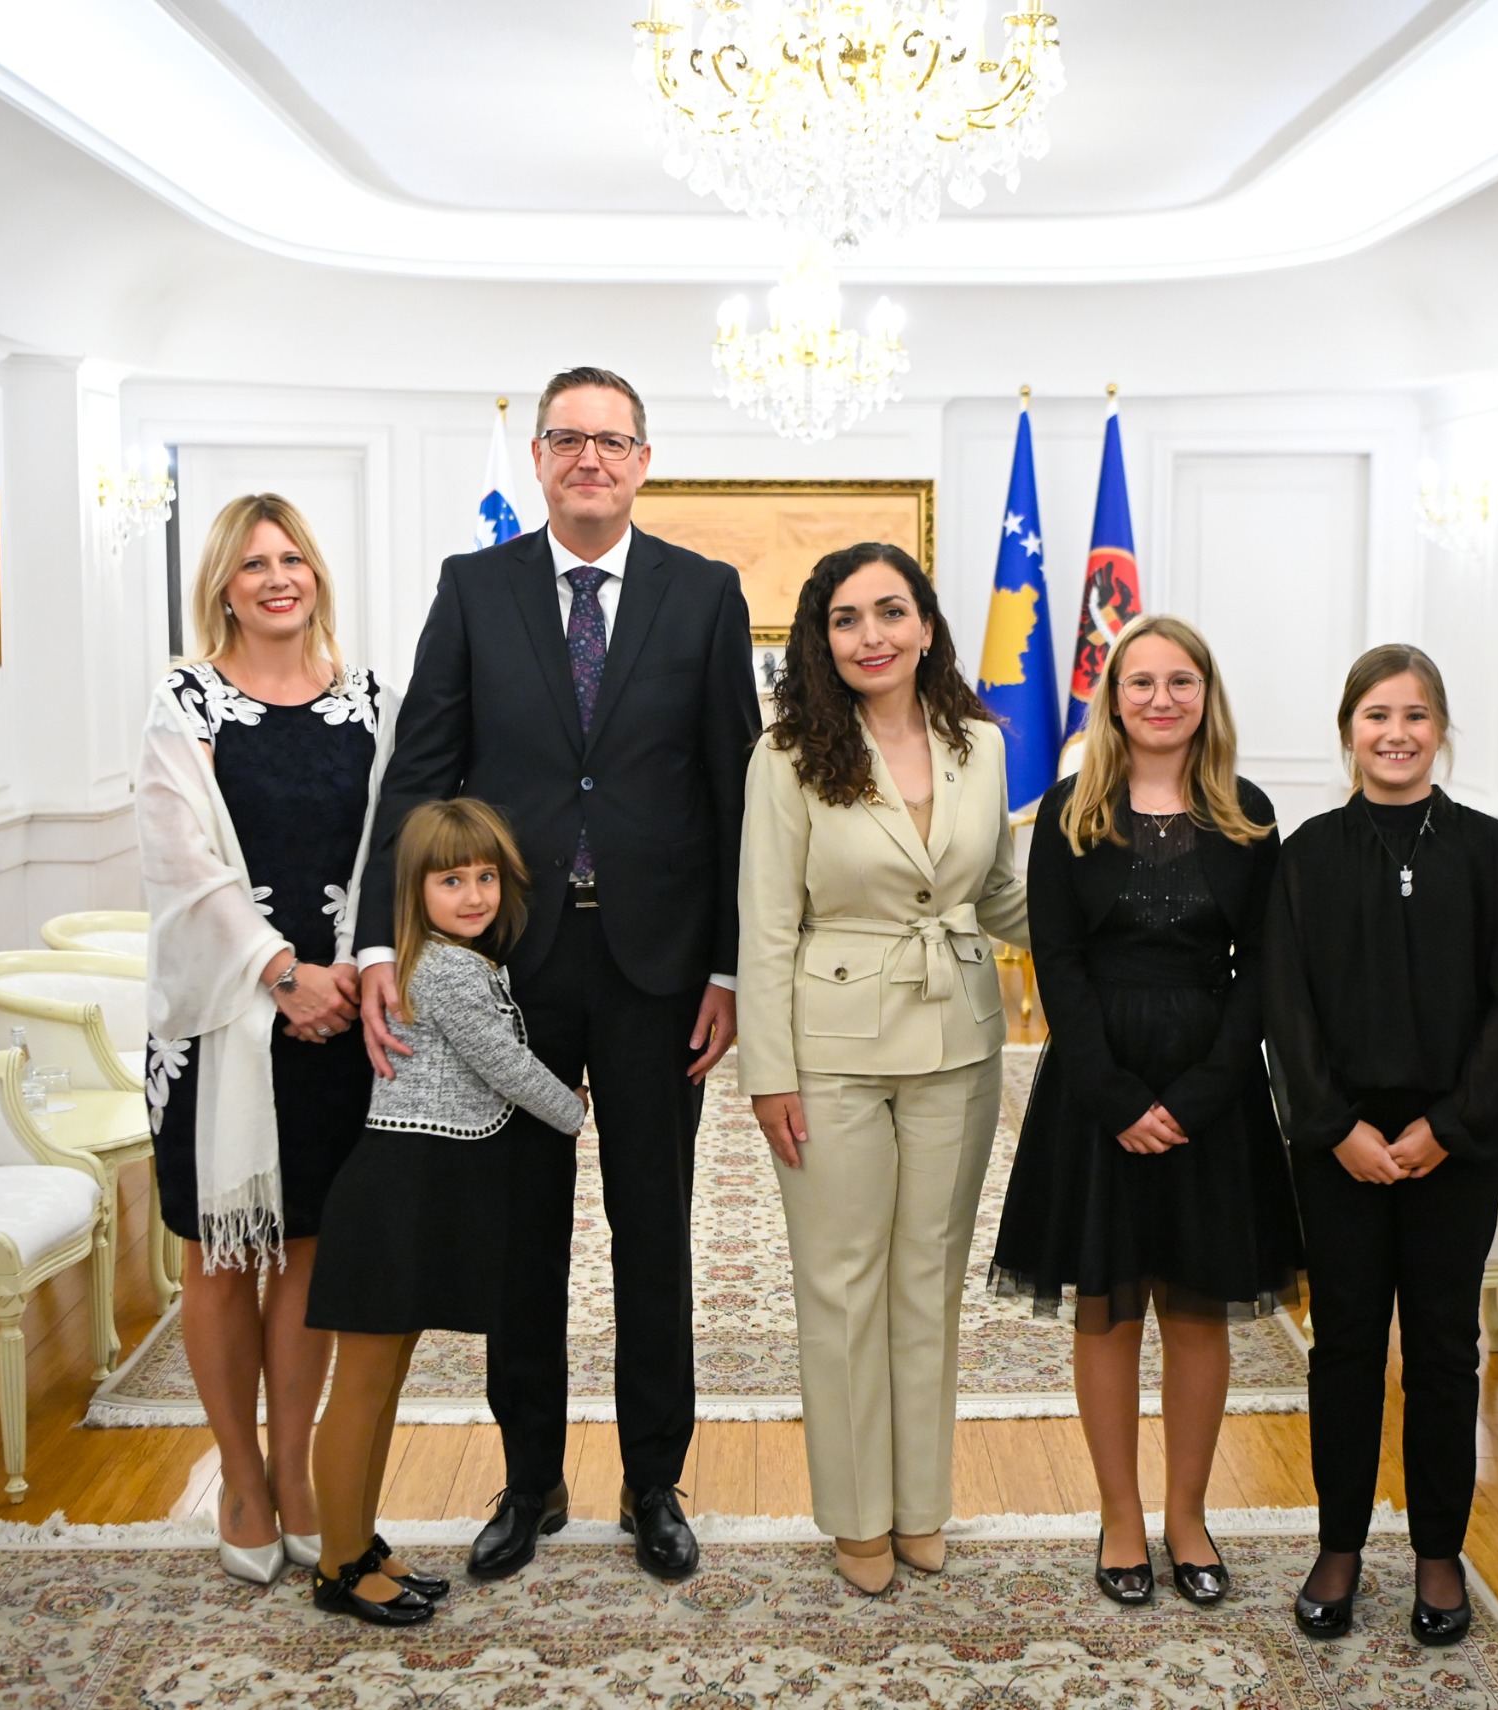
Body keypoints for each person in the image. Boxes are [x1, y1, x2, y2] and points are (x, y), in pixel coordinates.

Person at [353, 366, 761, 1583]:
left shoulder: (704, 593)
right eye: (569, 439)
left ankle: (653, 1482)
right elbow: (418, 770)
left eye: (613, 440)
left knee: (654, 1231)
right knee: (520, 1237)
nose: (591, 458)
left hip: (658, 971)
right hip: (509, 970)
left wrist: (731, 966)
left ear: (644, 460)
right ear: (537, 457)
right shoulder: (473, 588)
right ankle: (529, 1481)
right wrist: (382, 943)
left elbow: (733, 788)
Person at [737, 542, 1030, 1594]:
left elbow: (999, 894)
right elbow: (766, 922)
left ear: (927, 625)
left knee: (929, 1280)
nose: (873, 636)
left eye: (891, 612)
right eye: (847, 618)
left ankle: (920, 1505)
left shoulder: (982, 745)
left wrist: (1123, 928)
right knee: (843, 1282)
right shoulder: (785, 755)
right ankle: (858, 1516)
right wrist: (768, 1073)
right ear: (821, 641)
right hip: (829, 1053)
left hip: (959, 1040)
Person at [990, 614, 1294, 1608]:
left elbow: (1263, 971)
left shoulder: (1247, 815)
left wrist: (1199, 1097)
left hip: (1215, 1091)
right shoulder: (1069, 810)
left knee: (1199, 1312)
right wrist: (1117, 1096)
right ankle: (1120, 1518)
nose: (1161, 699)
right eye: (1141, 682)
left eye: (1180, 682)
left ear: (1206, 696)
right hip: (1098, 1091)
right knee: (1109, 1310)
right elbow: (1057, 962)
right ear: (1112, 699)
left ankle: (1187, 1517)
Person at [1263, 643, 1498, 1648]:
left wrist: (1450, 1129)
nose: (1396, 733)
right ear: (1348, 730)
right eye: (1377, 715)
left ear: (1441, 730)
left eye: (1415, 715)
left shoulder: (1489, 851)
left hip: (1451, 1149)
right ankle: (1338, 1546)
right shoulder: (1306, 855)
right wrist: (1335, 1127)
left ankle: (1437, 1554)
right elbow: (1284, 1007)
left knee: (1442, 1347)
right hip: (1336, 1146)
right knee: (1344, 1344)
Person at [135, 492, 390, 1589]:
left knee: (307, 1253)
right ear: (224, 589)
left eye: (292, 559)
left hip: (339, 1021)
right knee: (220, 1254)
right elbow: (179, 861)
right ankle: (239, 1477)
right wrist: (279, 973)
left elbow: (390, 847)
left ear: (316, 575)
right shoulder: (184, 701)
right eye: (253, 565)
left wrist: (354, 970)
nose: (277, 578)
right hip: (222, 1027)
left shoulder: (370, 699)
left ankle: (296, 1471)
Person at [306, 798, 589, 1626]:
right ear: (415, 889)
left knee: (385, 1381)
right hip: (398, 1193)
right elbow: (506, 1065)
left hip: (420, 1188)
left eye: (486, 878)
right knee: (361, 1388)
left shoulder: (455, 960)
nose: (474, 896)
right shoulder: (444, 971)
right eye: (452, 880)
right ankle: (336, 1565)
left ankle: (360, 1545)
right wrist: (573, 1108)